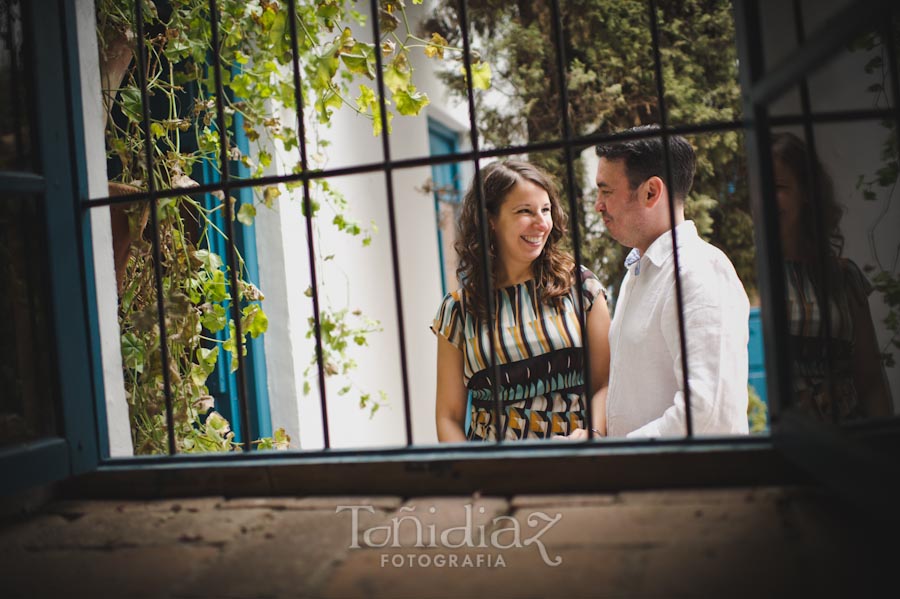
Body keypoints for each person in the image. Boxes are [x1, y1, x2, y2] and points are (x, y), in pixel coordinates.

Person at [432, 160, 611, 441]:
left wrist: (594, 434)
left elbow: (606, 381)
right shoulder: (458, 311)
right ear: (490, 219)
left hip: (577, 465)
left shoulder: (582, 287)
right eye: (524, 211)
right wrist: (475, 477)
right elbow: (448, 417)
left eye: (546, 210)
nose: (541, 223)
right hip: (496, 476)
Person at [594, 125, 750, 438]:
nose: (598, 204)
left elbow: (708, 416)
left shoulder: (699, 271)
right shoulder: (640, 272)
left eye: (606, 191)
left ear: (651, 192)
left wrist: (613, 456)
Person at [772, 131, 892, 421]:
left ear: (806, 194)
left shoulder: (844, 276)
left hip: (849, 442)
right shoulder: (742, 276)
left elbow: (871, 381)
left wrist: (882, 449)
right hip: (786, 448)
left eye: (777, 186)